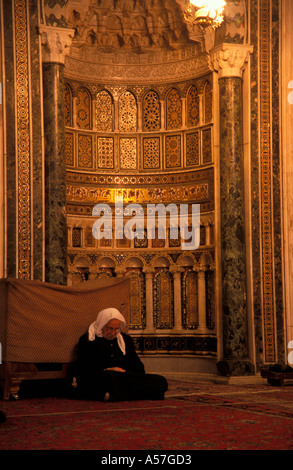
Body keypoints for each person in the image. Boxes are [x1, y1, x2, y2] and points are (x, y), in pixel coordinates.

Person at [76, 307, 168, 401]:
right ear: (101, 325)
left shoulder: (125, 340)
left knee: (160, 381)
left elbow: (139, 368)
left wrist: (124, 372)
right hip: (102, 378)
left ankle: (115, 395)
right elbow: (84, 369)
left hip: (124, 378)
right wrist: (108, 370)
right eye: (110, 328)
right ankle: (131, 394)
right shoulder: (88, 340)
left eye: (116, 329)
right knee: (109, 377)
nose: (113, 333)